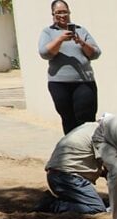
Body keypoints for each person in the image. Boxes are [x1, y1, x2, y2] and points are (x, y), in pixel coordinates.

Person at [38, 0, 100, 134]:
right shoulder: (48, 32)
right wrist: (59, 40)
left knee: (86, 119)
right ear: (53, 14)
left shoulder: (80, 30)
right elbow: (45, 53)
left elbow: (95, 53)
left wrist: (81, 42)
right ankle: (72, 150)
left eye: (64, 11)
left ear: (69, 12)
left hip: (84, 82)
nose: (62, 15)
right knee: (68, 119)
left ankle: (89, 150)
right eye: (58, 12)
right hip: (59, 84)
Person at [36, 121, 106, 215]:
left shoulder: (86, 127)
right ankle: (53, 205)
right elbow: (111, 168)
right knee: (97, 208)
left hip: (56, 176)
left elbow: (82, 163)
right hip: (69, 178)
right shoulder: (100, 134)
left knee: (103, 203)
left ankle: (61, 201)